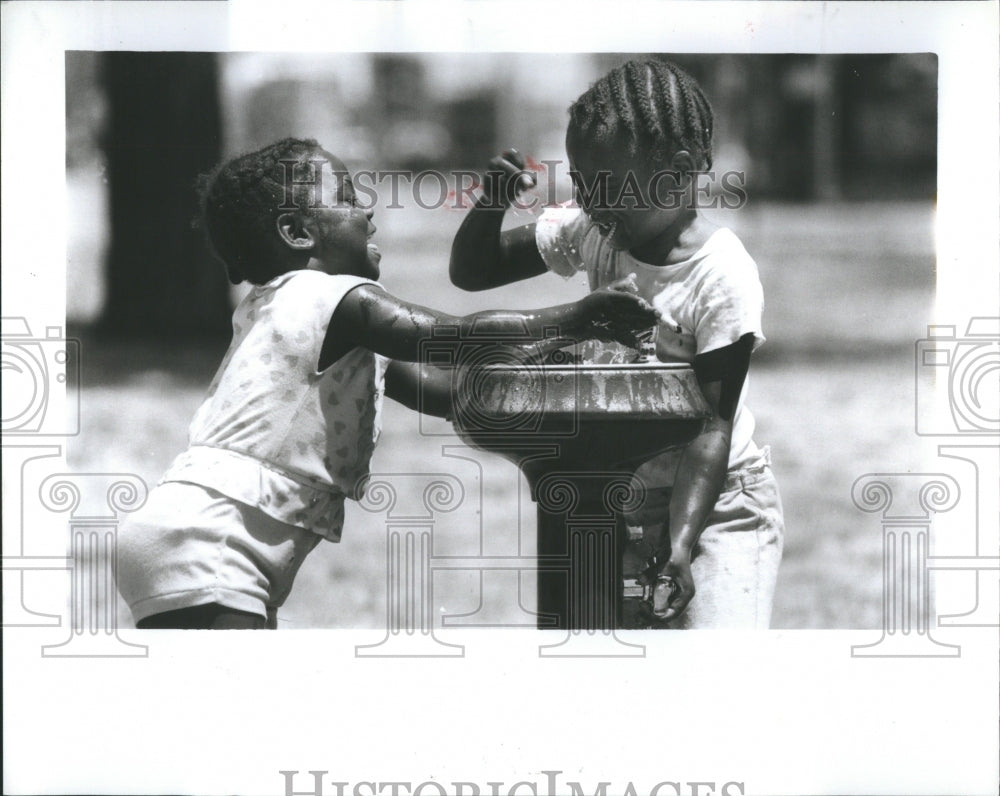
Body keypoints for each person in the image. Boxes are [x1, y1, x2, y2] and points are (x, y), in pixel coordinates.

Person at [115, 137, 659, 630]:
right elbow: (452, 336)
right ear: (298, 233)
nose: (367, 210)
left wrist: (554, 359)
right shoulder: (328, 297)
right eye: (349, 196)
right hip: (213, 541)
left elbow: (448, 394)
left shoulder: (294, 316)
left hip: (184, 530)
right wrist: (575, 318)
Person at [449, 59, 784, 628]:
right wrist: (492, 202)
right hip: (623, 501)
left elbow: (712, 427)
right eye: (581, 184)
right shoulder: (595, 231)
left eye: (606, 187)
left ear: (678, 171)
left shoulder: (720, 275)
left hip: (719, 505)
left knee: (712, 670)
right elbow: (474, 270)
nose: (592, 203)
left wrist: (681, 545)